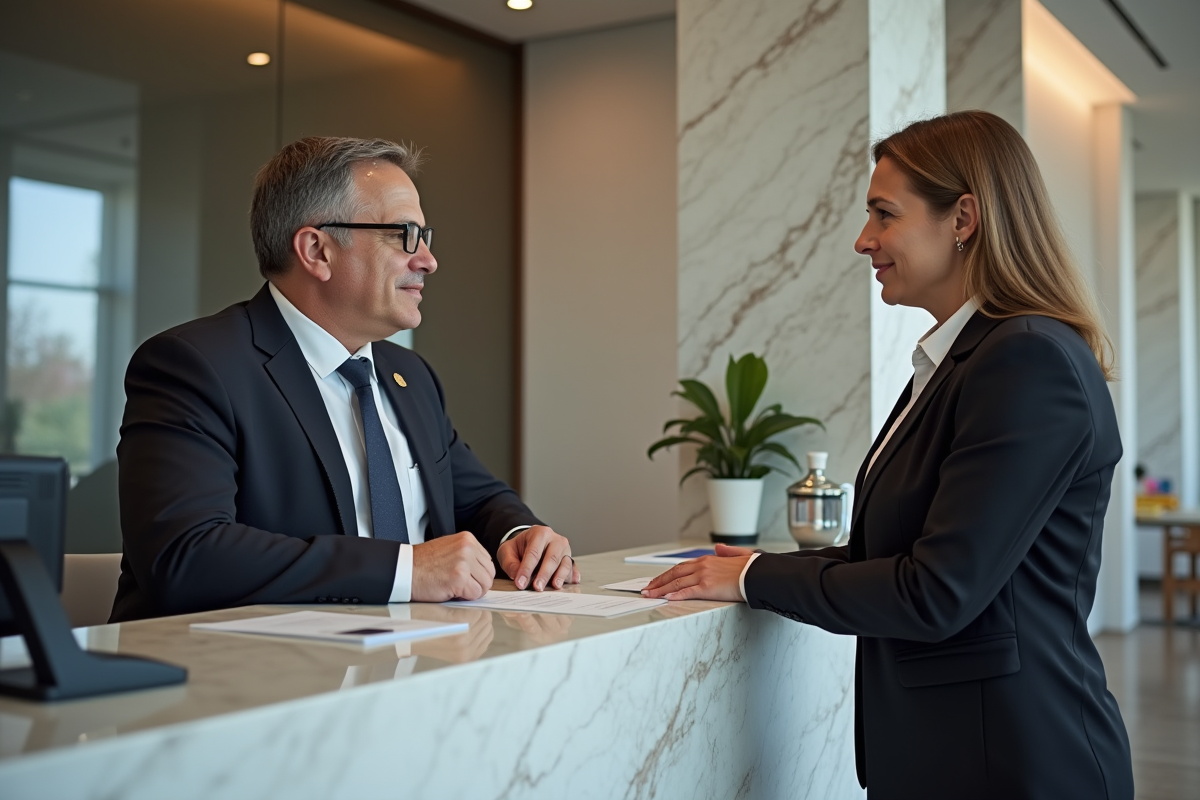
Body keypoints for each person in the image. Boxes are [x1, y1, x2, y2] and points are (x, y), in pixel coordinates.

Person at [644, 111, 1134, 799]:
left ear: (963, 218)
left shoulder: (1027, 360)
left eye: (883, 214)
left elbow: (935, 591)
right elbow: (889, 554)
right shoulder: (963, 360)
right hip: (952, 760)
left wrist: (758, 580)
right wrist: (754, 566)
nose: (862, 239)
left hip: (1013, 765)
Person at [112, 136, 578, 622]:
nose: (427, 260)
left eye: (424, 236)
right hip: (234, 678)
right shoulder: (194, 365)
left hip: (416, 663)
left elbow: (478, 498)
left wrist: (518, 534)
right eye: (403, 234)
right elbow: (185, 554)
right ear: (317, 250)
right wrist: (405, 570)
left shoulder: (410, 376)